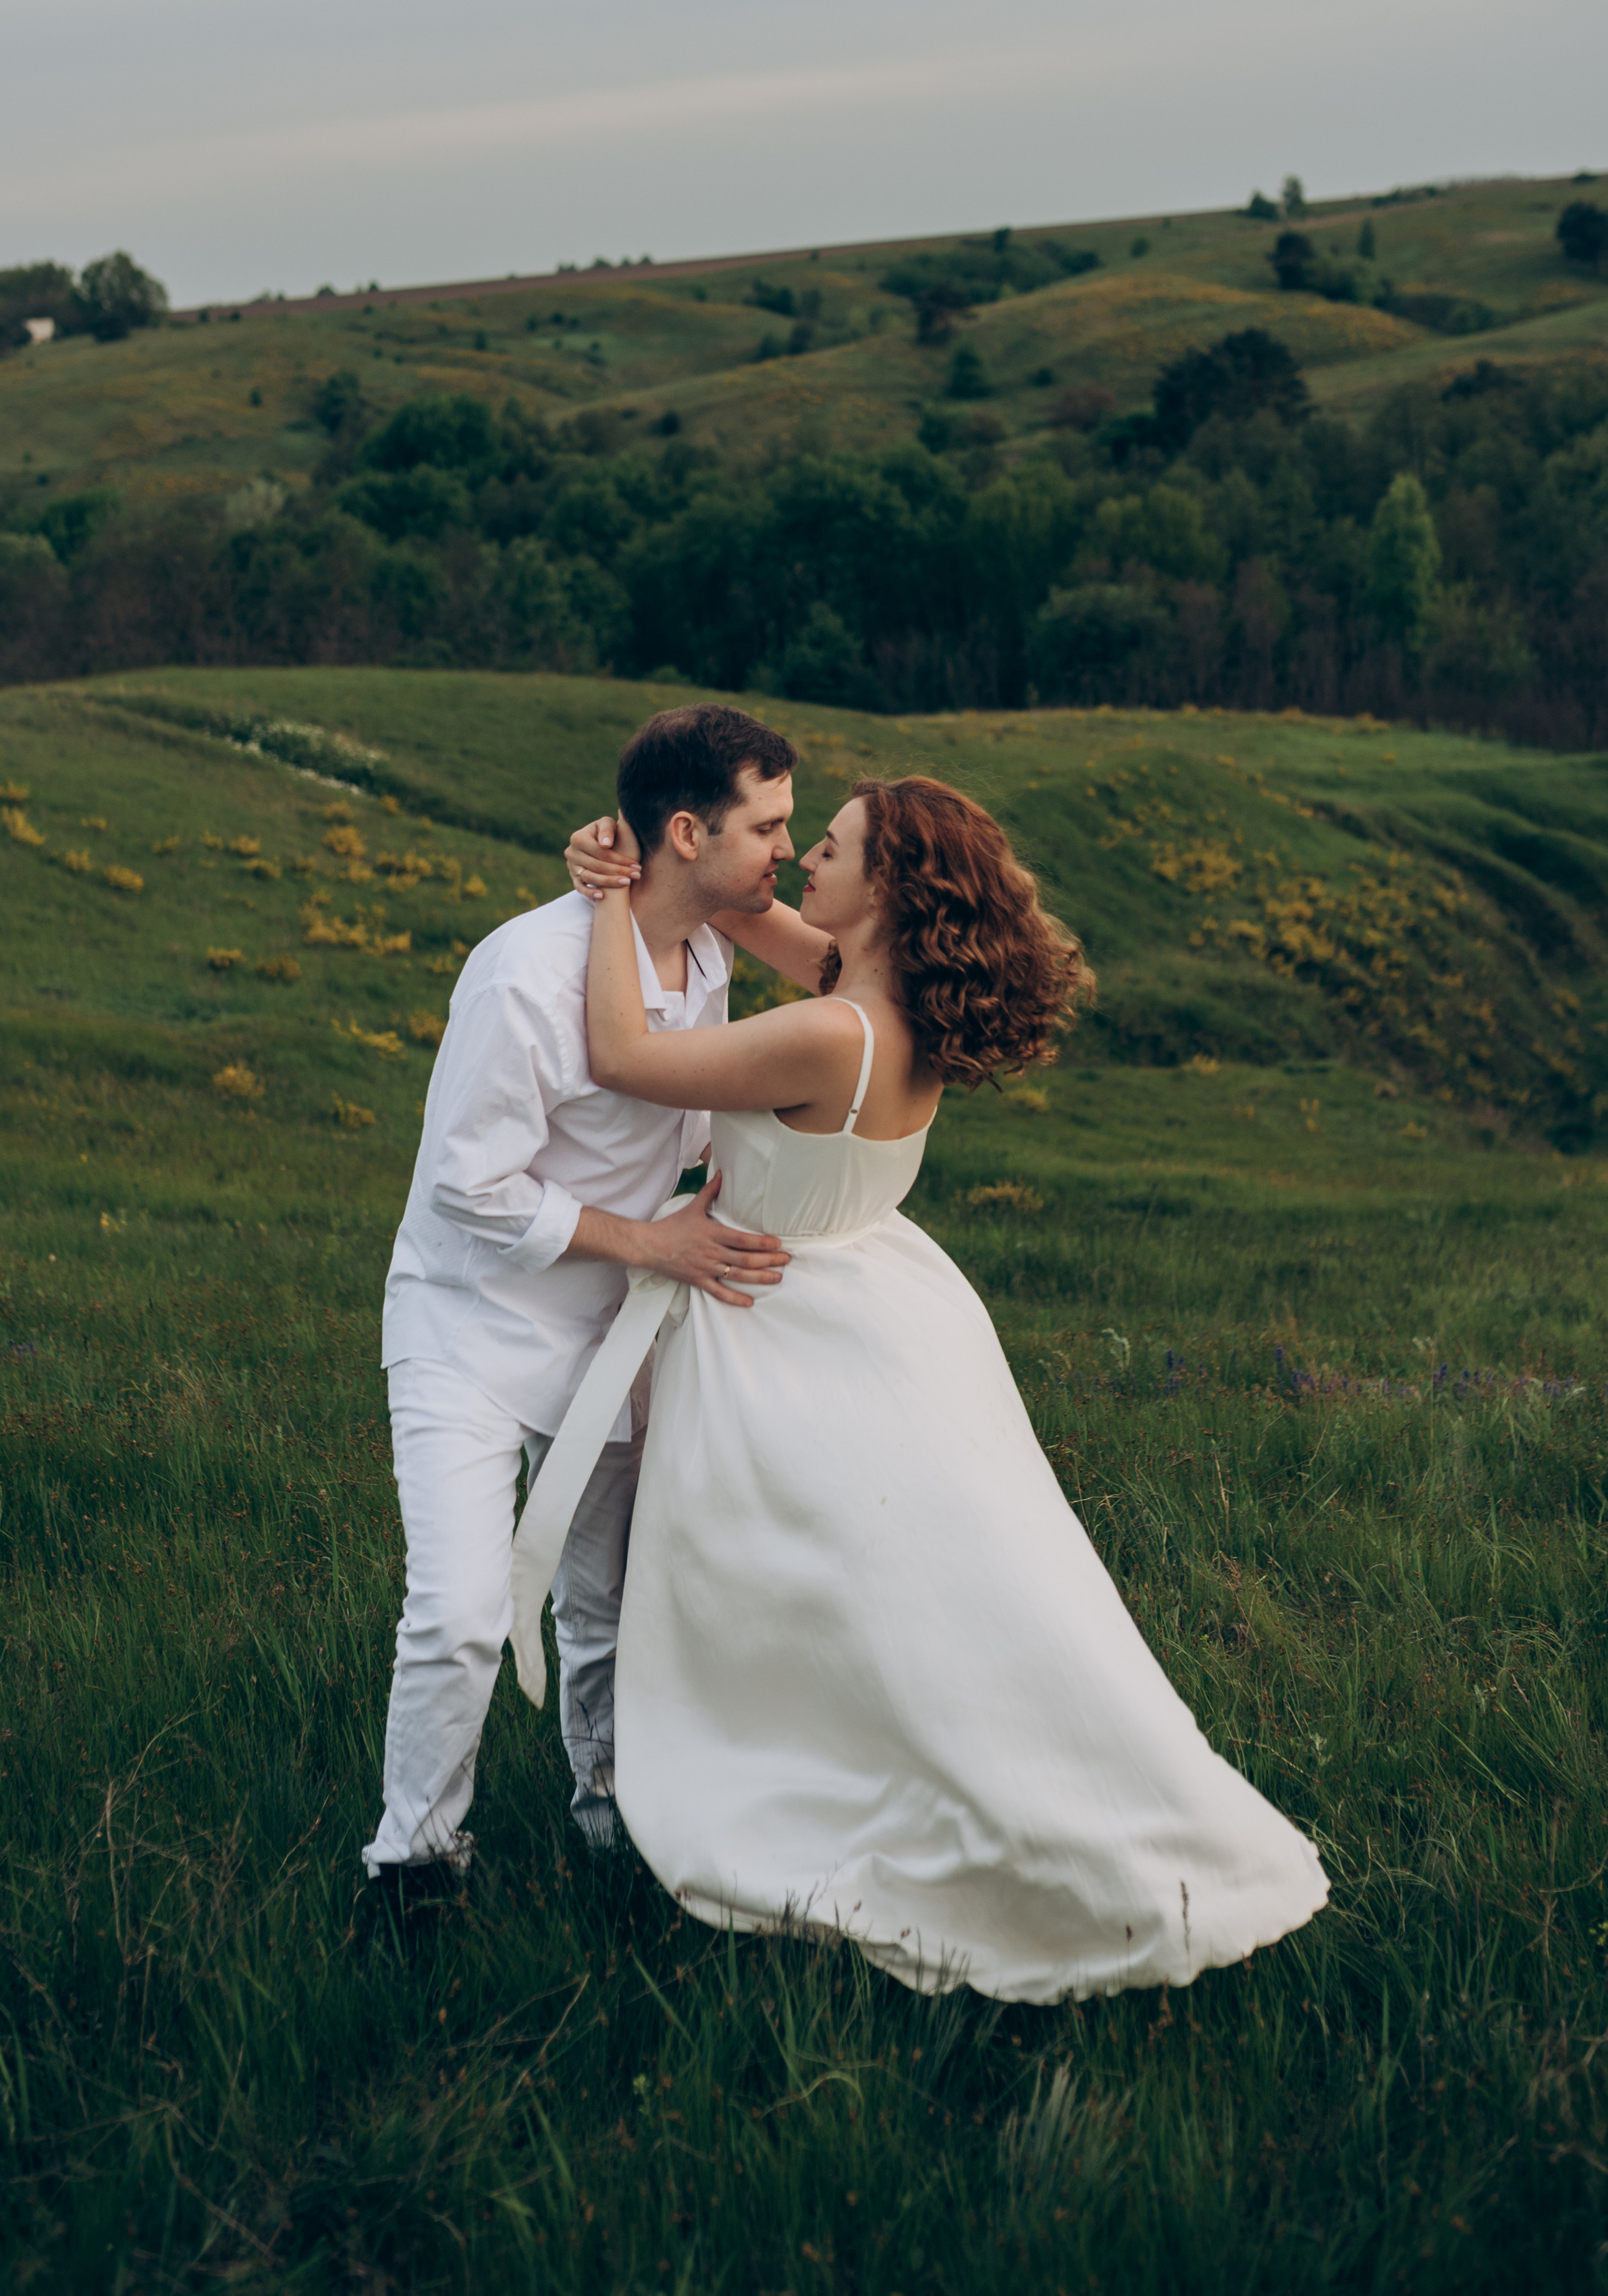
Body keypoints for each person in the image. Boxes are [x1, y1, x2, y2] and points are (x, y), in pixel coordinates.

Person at [555, 776, 1329, 2001]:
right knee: (902, 1604)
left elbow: (622, 1054)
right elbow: (756, 919)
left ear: (891, 887)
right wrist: (687, 863)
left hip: (783, 1319)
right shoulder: (876, 995)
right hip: (880, 1300)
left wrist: (604, 897)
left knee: (799, 1592)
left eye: (833, 843)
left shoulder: (830, 1031)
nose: (805, 853)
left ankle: (842, 1801)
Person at [363, 704, 803, 1913]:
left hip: (614, 1327)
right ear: (682, 831)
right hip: (467, 1322)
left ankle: (611, 1822)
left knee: (606, 1607)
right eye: (767, 825)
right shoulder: (525, 975)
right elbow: (467, 1186)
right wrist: (653, 1238)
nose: (786, 848)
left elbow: (786, 985)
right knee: (458, 1610)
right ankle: (414, 1866)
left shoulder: (712, 940)